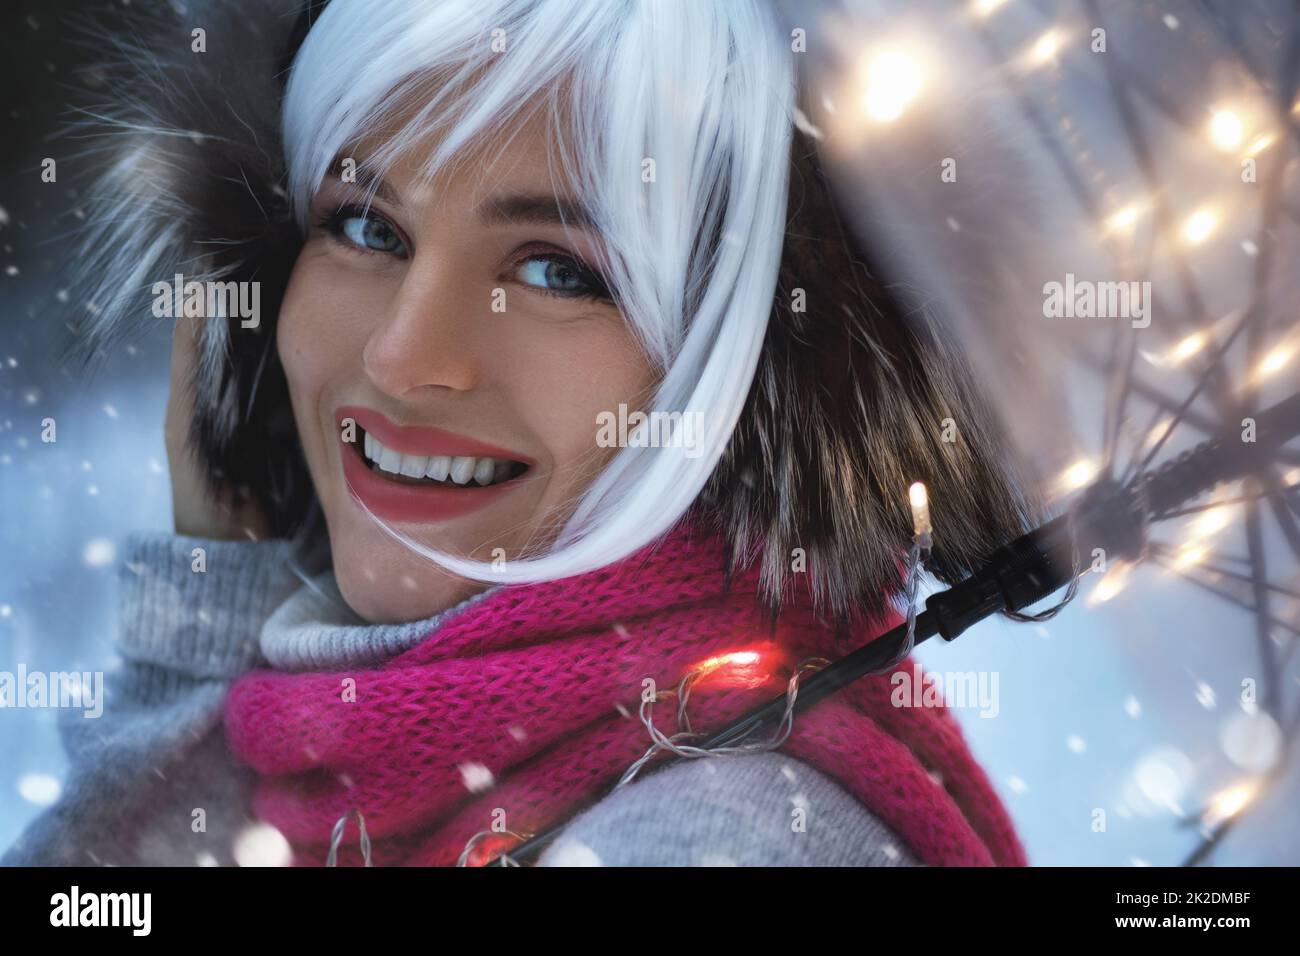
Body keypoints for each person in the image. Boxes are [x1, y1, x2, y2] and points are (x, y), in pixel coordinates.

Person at [3, 0, 1034, 867]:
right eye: (367, 225)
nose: (406, 357)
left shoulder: (720, 836)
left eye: (556, 269)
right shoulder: (358, 764)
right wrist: (207, 634)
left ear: (754, 369)